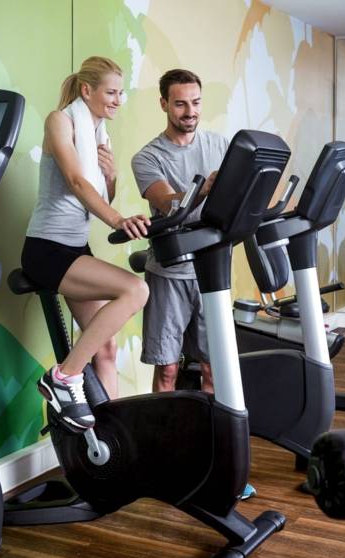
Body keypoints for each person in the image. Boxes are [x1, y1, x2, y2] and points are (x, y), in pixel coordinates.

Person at [22, 56, 150, 432]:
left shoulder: (98, 134)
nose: (118, 100)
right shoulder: (60, 121)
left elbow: (98, 192)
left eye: (121, 93)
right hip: (47, 249)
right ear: (86, 90)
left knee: (106, 348)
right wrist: (118, 220)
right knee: (135, 289)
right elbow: (77, 182)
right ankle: (63, 377)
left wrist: (111, 177)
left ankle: (115, 440)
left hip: (75, 249)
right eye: (111, 93)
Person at [130, 69, 229, 394]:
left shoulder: (220, 145)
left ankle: (213, 425)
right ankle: (161, 427)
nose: (190, 112)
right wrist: (203, 189)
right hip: (169, 273)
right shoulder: (148, 157)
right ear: (164, 104)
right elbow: (166, 202)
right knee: (168, 369)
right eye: (180, 104)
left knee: (214, 367)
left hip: (212, 270)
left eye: (196, 102)